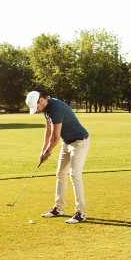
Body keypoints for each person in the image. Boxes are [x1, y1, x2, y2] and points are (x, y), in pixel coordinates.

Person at [25, 91, 90, 224]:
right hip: (67, 142)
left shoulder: (55, 109)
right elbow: (48, 131)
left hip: (79, 142)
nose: (36, 110)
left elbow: (55, 138)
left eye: (36, 107)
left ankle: (80, 213)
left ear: (41, 101)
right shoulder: (46, 109)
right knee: (60, 174)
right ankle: (58, 209)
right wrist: (43, 151)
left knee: (74, 175)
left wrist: (48, 152)